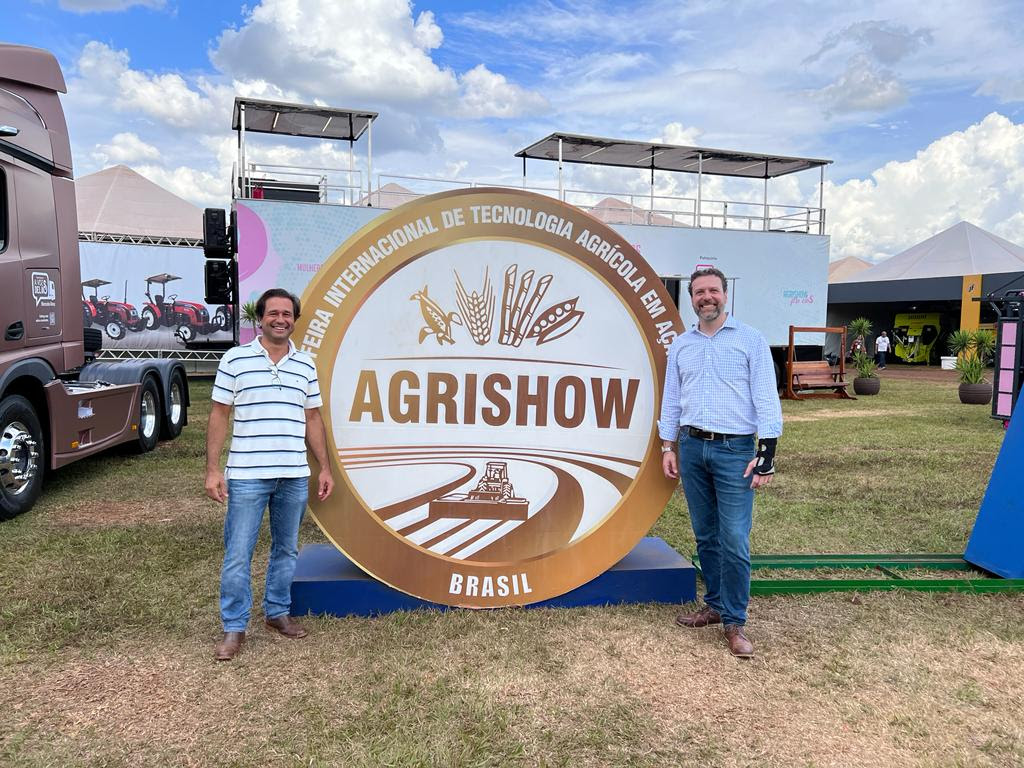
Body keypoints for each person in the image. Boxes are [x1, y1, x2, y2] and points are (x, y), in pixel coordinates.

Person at [659, 267, 783, 658]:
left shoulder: (750, 340)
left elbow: (766, 397)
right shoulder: (681, 345)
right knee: (706, 534)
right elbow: (672, 398)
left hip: (736, 452)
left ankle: (735, 621)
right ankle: (713, 605)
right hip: (693, 448)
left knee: (733, 538)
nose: (705, 297)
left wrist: (767, 455)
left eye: (713, 290)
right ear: (691, 299)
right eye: (699, 292)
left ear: (725, 295)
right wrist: (668, 445)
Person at [205, 288, 335, 661]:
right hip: (247, 475)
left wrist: (323, 467)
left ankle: (277, 612)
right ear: (260, 318)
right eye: (273, 313)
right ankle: (234, 627)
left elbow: (313, 419)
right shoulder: (236, 359)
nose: (281, 319)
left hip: (293, 474)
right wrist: (213, 470)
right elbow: (218, 415)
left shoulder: (305, 364)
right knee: (238, 553)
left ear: (295, 320)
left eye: (287, 314)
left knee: (286, 550)